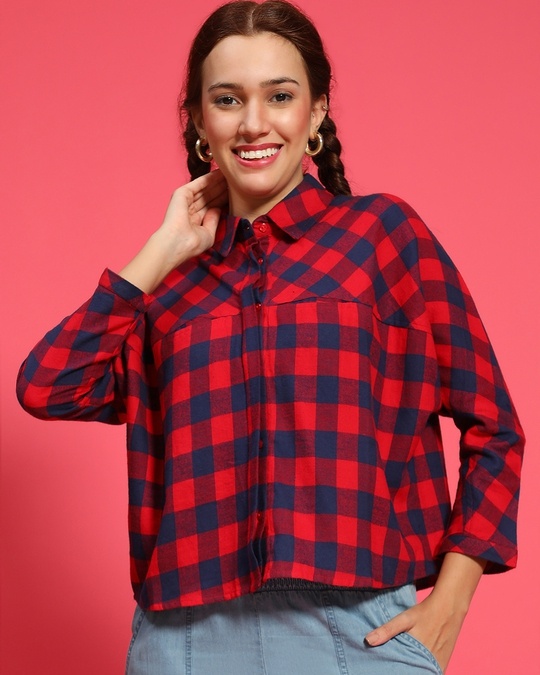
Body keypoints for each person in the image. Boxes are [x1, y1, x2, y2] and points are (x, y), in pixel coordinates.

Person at [16, 1, 524, 673]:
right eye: (227, 99)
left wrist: (450, 602)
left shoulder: (383, 237)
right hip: (184, 639)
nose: (253, 122)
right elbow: (47, 387)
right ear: (200, 122)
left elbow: (495, 426)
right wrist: (160, 250)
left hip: (355, 631)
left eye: (279, 96)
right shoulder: (169, 285)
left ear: (315, 113)